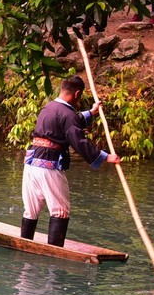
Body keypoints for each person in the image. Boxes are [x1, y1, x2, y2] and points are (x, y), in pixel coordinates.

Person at [20, 76, 122, 247]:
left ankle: (23, 244)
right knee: (60, 210)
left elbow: (69, 121)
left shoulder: (49, 108)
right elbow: (79, 141)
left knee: (31, 210)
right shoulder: (67, 114)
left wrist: (91, 112)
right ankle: (54, 253)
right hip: (49, 166)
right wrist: (105, 156)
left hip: (31, 164)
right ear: (77, 94)